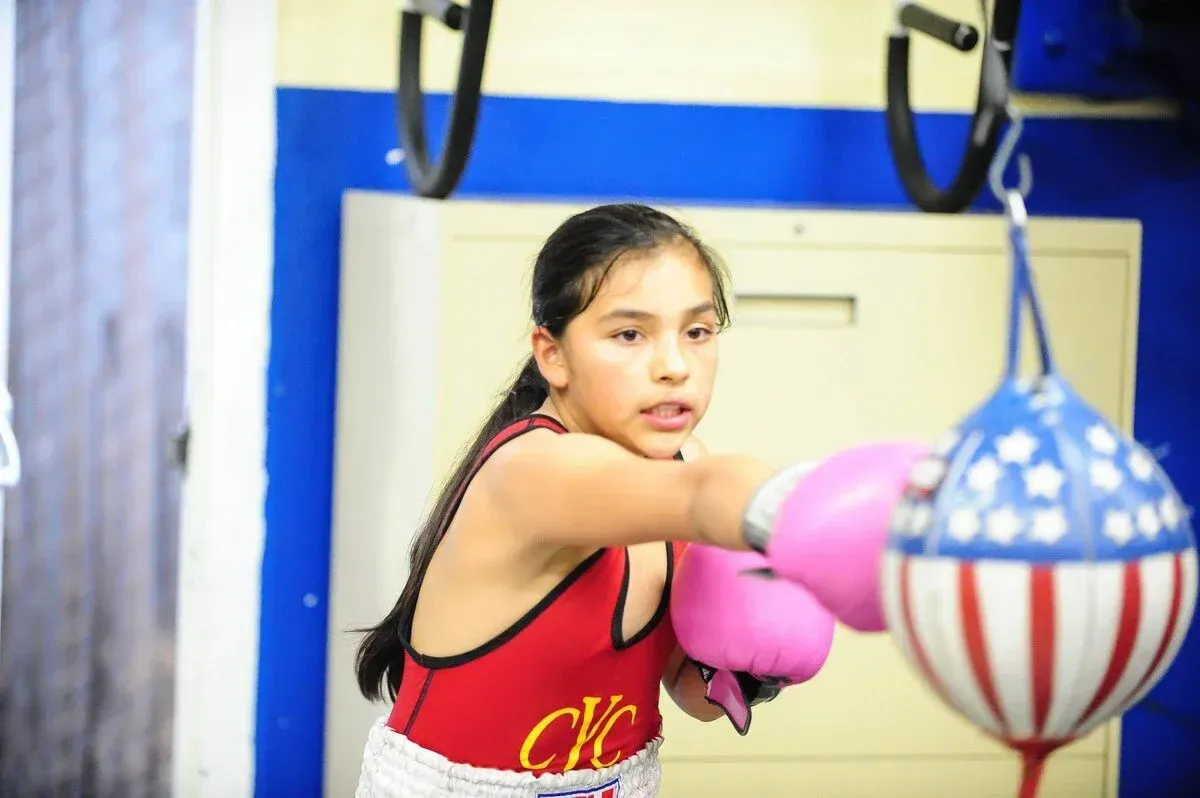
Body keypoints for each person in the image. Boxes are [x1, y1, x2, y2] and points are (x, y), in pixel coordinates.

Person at [354, 203, 806, 798]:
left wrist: (751, 666)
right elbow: (704, 496)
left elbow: (689, 694)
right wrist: (835, 517)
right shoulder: (532, 471)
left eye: (696, 331)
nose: (674, 366)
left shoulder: (681, 464)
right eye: (629, 334)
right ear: (553, 354)